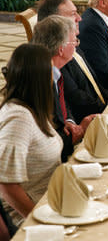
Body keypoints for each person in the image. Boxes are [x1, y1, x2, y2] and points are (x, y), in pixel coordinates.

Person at [0, 44, 62, 227]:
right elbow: (6, 183)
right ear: (40, 78)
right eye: (51, 70)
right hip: (31, 217)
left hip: (51, 203)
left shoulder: (32, 109)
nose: (54, 75)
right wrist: (38, 219)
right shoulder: (19, 119)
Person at [36, 0, 108, 122]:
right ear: (55, 20)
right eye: (73, 14)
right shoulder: (55, 54)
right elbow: (76, 99)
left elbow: (94, 83)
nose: (79, 18)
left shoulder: (73, 42)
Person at [32, 15, 96, 162]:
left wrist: (69, 121)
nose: (76, 46)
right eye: (74, 41)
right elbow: (44, 140)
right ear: (61, 49)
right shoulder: (40, 82)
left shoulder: (54, 72)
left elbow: (62, 108)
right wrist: (79, 132)